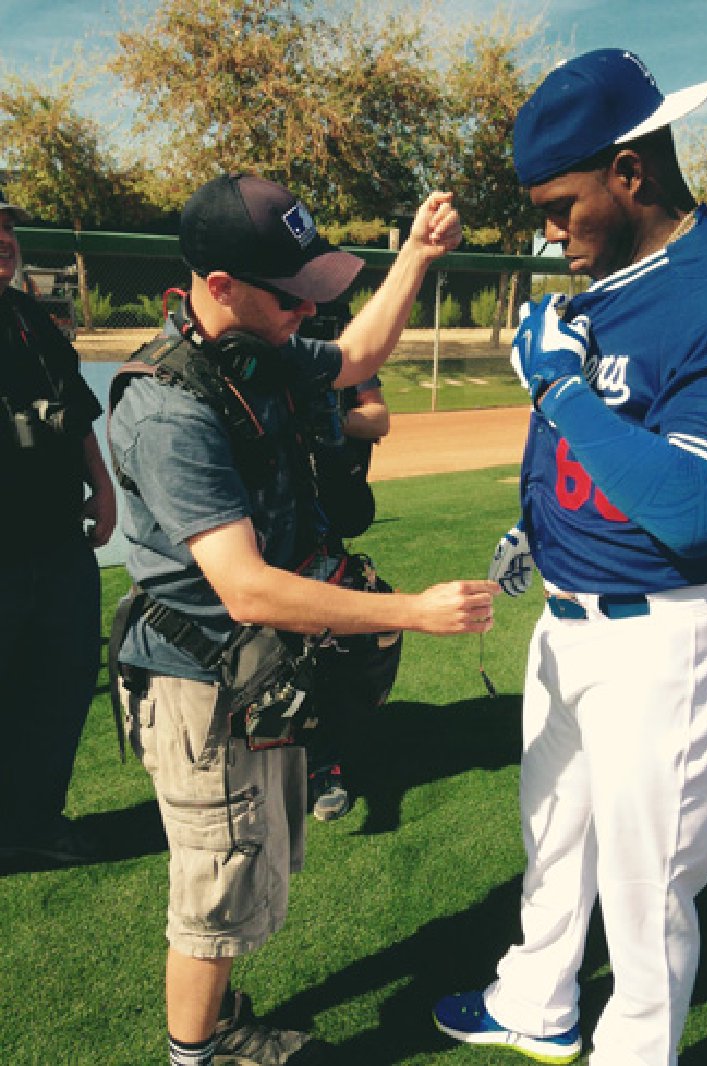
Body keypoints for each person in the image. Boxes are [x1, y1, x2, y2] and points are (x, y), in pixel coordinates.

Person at [433, 49, 707, 1066]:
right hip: (570, 615)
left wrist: (556, 392)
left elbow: (694, 506)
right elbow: (600, 444)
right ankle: (536, 1000)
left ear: (629, 173)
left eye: (561, 205)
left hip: (667, 634)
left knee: (647, 888)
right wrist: (535, 527)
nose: (550, 232)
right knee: (552, 837)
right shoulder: (609, 275)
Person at [107, 173, 499, 1066]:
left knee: (247, 867)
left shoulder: (261, 344)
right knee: (212, 898)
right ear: (218, 287)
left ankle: (218, 1024)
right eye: (293, 294)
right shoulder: (171, 407)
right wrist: (412, 612)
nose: (308, 310)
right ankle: (194, 1056)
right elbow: (243, 586)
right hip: (204, 677)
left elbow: (356, 357)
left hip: (253, 671)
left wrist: (415, 256)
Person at [0, 189, 116, 866]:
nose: (5, 240)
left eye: (8, 229)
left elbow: (73, 411)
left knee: (60, 687)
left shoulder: (28, 318)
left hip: (56, 542)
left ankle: (35, 824)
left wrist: (101, 486)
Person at [306, 374, 392, 822]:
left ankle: (326, 763)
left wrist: (325, 422)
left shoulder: (337, 346)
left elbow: (378, 417)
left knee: (333, 643)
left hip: (323, 522)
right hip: (258, 520)